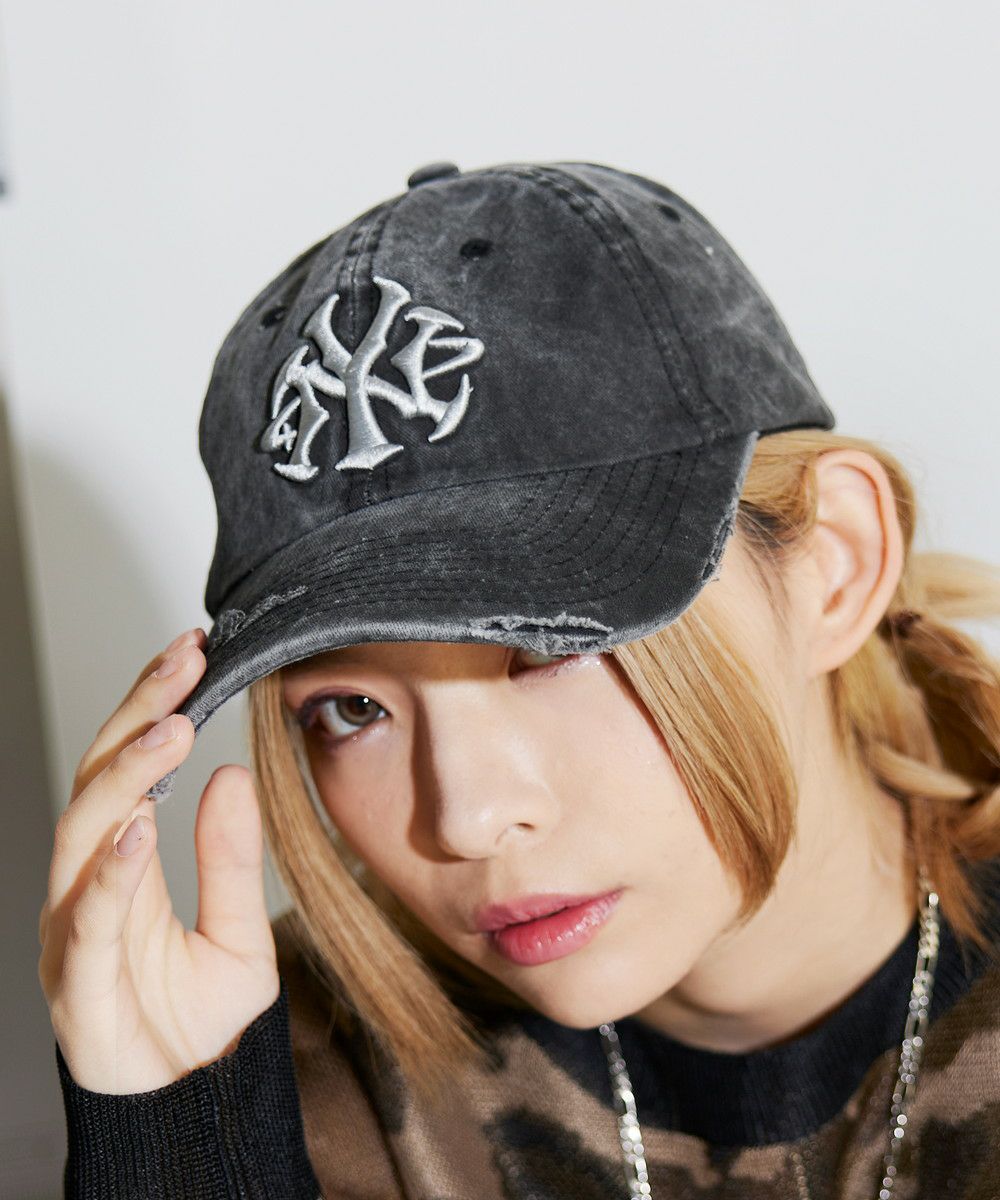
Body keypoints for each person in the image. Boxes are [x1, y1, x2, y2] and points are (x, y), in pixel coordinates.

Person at [38, 160, 1000, 1199]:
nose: (468, 819)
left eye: (549, 645)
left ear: (833, 566)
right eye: (352, 709)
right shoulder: (283, 1076)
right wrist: (177, 1149)